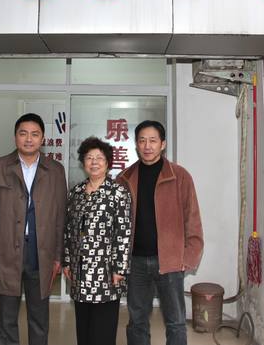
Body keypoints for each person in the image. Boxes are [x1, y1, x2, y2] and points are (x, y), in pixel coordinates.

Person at [0, 113, 67, 345]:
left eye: (35, 134)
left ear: (43, 139)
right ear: (15, 136)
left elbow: (60, 216)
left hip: (41, 253)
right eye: (23, 133)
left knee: (39, 317)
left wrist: (58, 256)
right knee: (7, 317)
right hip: (6, 252)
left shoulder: (55, 170)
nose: (29, 139)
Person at [117, 121, 204, 345]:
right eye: (142, 141)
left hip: (170, 261)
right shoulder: (125, 178)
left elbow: (192, 218)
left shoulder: (180, 176)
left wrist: (189, 256)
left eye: (153, 140)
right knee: (137, 321)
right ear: (136, 144)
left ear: (163, 144)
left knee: (175, 322)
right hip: (135, 261)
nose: (147, 146)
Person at [63, 137, 131, 345]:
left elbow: (123, 233)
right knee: (83, 327)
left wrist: (120, 268)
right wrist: (67, 261)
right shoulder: (75, 192)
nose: (94, 162)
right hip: (79, 270)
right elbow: (68, 230)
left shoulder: (118, 193)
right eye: (89, 158)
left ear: (108, 163)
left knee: (102, 331)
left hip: (106, 272)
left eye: (99, 158)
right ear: (83, 163)